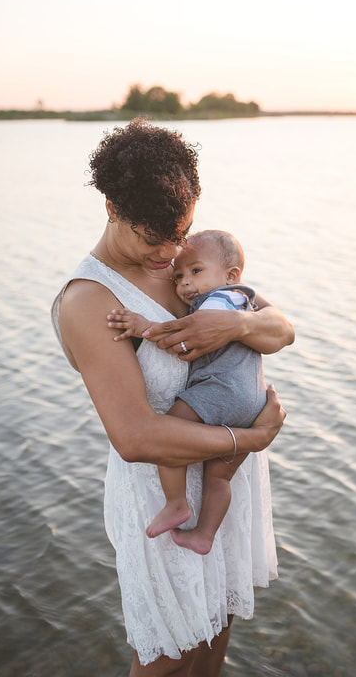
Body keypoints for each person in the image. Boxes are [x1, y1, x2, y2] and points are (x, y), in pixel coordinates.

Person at [51, 119, 294, 676]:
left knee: (215, 635)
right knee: (168, 654)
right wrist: (249, 437)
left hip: (223, 485)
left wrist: (230, 329)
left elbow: (280, 329)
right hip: (160, 495)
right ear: (111, 208)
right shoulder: (89, 299)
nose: (166, 254)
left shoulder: (192, 263)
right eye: (149, 237)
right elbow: (135, 436)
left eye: (178, 233)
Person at [106, 229, 268, 556]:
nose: (185, 284)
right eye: (179, 277)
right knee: (219, 477)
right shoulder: (243, 301)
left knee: (169, 436)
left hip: (221, 391)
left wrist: (142, 327)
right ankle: (204, 534)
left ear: (231, 275)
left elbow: (182, 338)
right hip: (251, 401)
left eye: (196, 272)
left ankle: (176, 503)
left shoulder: (221, 299)